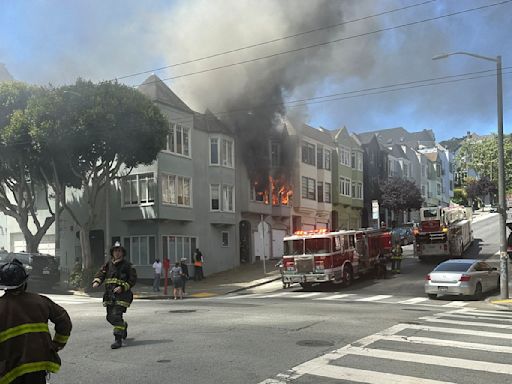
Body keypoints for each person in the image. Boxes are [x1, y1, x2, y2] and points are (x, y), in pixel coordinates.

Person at [0, 259, 72, 384]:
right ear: (24, 282)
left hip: (9, 369)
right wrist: (57, 345)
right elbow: (64, 320)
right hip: (38, 364)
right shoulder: (40, 300)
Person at [92, 241, 137, 349]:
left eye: (119, 251)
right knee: (109, 317)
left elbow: (133, 279)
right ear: (112, 253)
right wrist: (97, 281)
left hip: (123, 295)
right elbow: (101, 273)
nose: (117, 253)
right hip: (109, 295)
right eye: (115, 251)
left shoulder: (128, 265)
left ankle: (118, 340)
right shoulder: (108, 264)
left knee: (116, 316)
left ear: (122, 253)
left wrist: (122, 288)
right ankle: (123, 326)